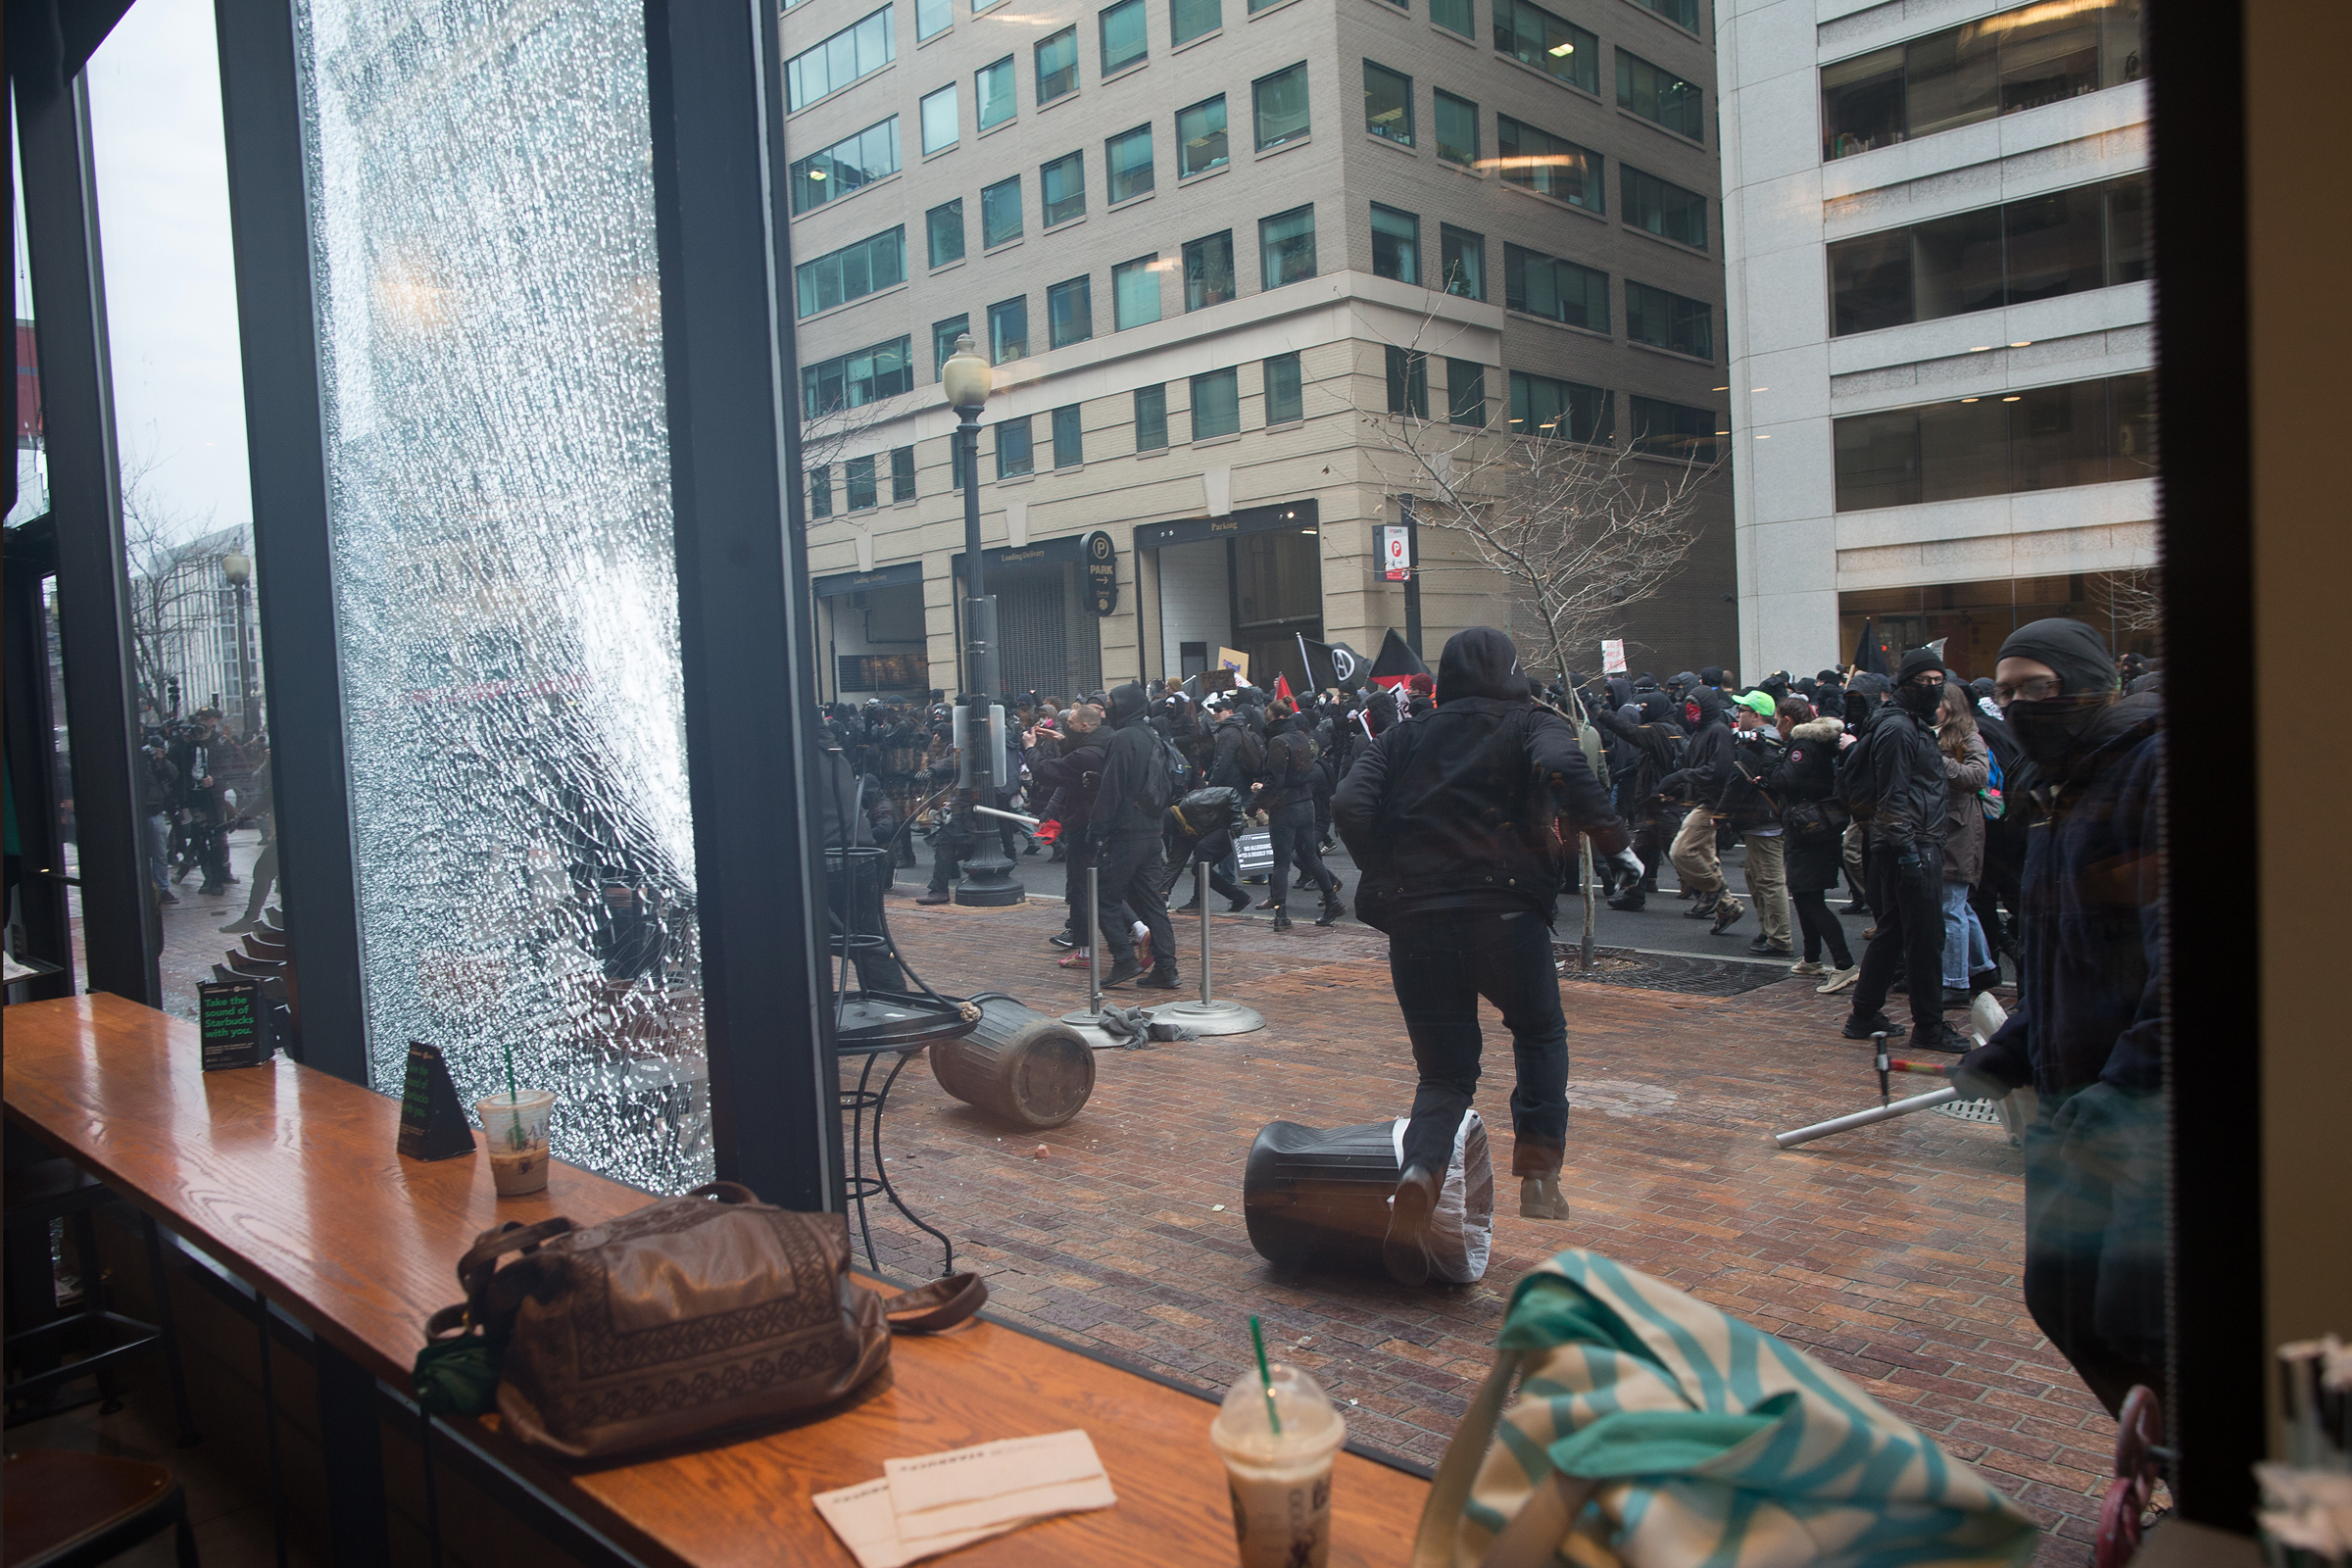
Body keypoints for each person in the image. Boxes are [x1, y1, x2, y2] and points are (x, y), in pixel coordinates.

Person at [1334, 627, 1638, 1285]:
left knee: (1444, 1075)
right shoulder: (1531, 722)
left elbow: (1347, 802)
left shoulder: (1402, 736)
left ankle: (1420, 1173)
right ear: (1509, 669)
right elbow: (1566, 766)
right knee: (1537, 1031)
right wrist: (1614, 840)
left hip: (1418, 923)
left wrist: (1388, 866)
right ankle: (1539, 1173)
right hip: (1503, 916)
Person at [1949, 617, 2162, 1419]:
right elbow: (2064, 959)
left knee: (2137, 1317)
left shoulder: (2151, 769)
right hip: (2073, 1101)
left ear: (2091, 682)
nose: (2020, 705)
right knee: (2060, 1295)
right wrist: (2010, 1050)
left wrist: (2125, 1092)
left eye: (2037, 687)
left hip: (2139, 1108)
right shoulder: (2053, 788)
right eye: (2005, 692)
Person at [1838, 651, 1972, 1054]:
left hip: (1904, 841)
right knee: (1925, 937)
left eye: (1938, 679)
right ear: (1905, 682)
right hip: (1910, 843)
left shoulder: (1904, 723)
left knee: (1894, 931)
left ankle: (1863, 1014)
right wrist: (1910, 853)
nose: (1933, 686)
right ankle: (1929, 1026)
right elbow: (1893, 796)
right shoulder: (1899, 728)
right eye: (1924, 679)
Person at [1088, 683, 1181, 989]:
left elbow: (1112, 787)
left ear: (1124, 706)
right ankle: (1167, 967)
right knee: (1153, 901)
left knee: (1103, 898)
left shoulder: (1122, 738)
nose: (1109, 708)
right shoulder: (1152, 734)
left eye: (1112, 703)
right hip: (1152, 830)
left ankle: (1124, 958)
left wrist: (1097, 827)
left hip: (1126, 833)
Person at [1764, 698, 1856, 990]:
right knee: (1804, 894)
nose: (1776, 726)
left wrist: (1766, 757)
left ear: (1788, 721)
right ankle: (1812, 958)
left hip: (1810, 831)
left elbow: (1785, 780)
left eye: (1777, 720)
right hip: (1813, 827)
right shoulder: (1816, 744)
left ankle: (1844, 964)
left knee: (1810, 899)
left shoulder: (1803, 746)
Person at [1250, 699, 1343, 929]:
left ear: (1275, 718)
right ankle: (1333, 901)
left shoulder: (1278, 742)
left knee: (1281, 863)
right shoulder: (1301, 736)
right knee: (1310, 856)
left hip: (1286, 806)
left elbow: (1275, 780)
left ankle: (1281, 915)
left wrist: (1255, 805)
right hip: (1306, 803)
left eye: (1268, 719)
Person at [1662, 687, 1744, 933]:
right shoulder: (1700, 732)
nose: (1690, 714)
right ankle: (1727, 907)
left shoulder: (1717, 731)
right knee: (1708, 859)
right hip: (1700, 801)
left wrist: (1680, 777)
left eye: (1695, 708)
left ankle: (1713, 889)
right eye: (1688, 709)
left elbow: (1718, 771)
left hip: (1711, 804)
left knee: (1681, 852)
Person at [1935, 683, 1996, 1006]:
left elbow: (1977, 776)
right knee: (1959, 904)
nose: (1934, 708)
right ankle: (1982, 967)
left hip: (1959, 827)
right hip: (1944, 825)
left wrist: (1939, 761)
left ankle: (1956, 983)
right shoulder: (1937, 731)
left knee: (1951, 906)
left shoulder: (1967, 734)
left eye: (1940, 703)